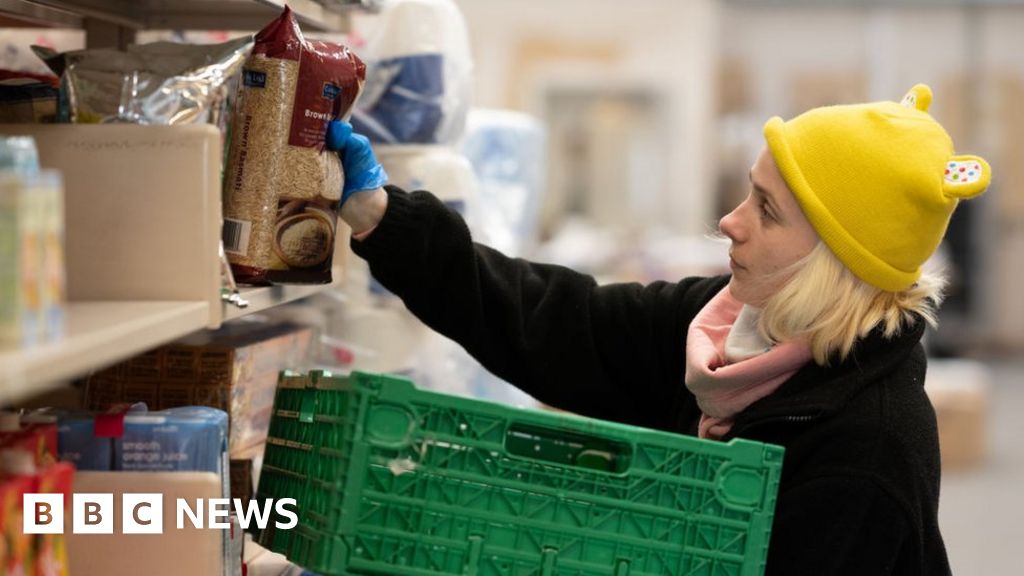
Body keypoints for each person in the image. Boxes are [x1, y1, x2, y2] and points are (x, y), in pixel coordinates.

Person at [324, 84, 989, 575]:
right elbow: (555, 320)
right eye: (745, 192)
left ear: (833, 263)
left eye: (766, 209)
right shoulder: (725, 329)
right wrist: (384, 218)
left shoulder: (865, 452)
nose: (730, 221)